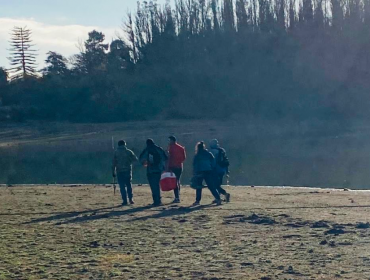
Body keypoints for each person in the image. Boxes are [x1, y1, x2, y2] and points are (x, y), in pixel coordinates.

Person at [139, 139, 168, 206]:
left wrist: (144, 163)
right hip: (159, 170)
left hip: (150, 170)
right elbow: (165, 158)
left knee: (153, 186)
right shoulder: (159, 148)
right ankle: (159, 200)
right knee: (157, 185)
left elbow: (141, 158)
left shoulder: (147, 149)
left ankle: (156, 201)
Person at [192, 141, 222, 206]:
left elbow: (195, 164)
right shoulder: (208, 153)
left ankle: (197, 201)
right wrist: (211, 168)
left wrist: (194, 173)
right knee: (211, 186)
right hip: (208, 171)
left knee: (199, 186)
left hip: (200, 171)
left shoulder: (197, 155)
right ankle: (218, 199)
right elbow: (213, 161)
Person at [112, 140, 138, 206]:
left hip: (119, 171)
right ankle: (131, 199)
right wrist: (130, 162)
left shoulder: (116, 152)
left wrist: (113, 172)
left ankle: (124, 200)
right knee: (129, 185)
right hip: (127, 170)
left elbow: (113, 163)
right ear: (125, 144)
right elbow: (135, 159)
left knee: (122, 186)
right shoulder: (129, 151)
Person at [167, 135, 186, 203]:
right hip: (180, 166)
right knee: (177, 180)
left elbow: (169, 158)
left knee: (174, 182)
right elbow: (184, 158)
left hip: (173, 166)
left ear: (172, 140)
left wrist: (168, 167)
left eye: (169, 140)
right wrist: (179, 161)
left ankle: (177, 197)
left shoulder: (171, 147)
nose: (169, 142)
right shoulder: (181, 148)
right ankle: (178, 195)